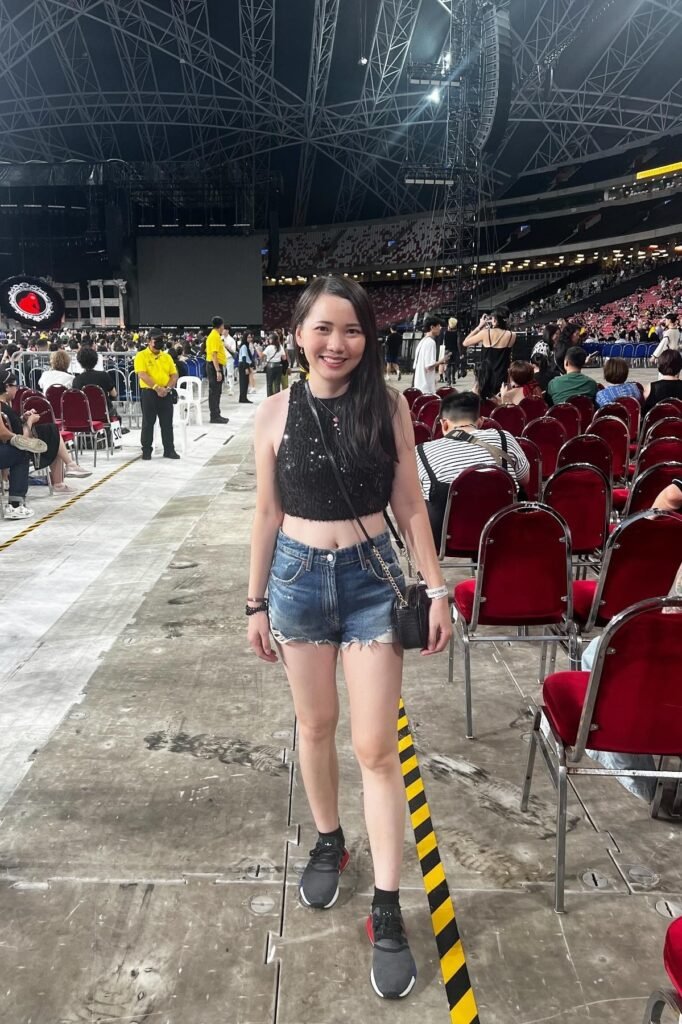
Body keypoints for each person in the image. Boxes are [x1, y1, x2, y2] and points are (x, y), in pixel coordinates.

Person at [246, 276, 451, 1001]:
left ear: (370, 338)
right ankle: (330, 839)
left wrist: (437, 588)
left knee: (374, 745)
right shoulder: (272, 414)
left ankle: (388, 906)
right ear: (298, 333)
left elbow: (412, 506)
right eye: (325, 329)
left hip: (372, 582)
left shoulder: (387, 405)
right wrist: (254, 601)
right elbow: (267, 513)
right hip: (297, 579)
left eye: (353, 330)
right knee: (314, 724)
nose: (339, 344)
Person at [416, 391, 530, 544]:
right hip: (502, 532)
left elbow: (415, 496)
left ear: (444, 424)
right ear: (481, 422)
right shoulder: (504, 438)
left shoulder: (422, 451)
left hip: (445, 539)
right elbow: (525, 479)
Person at [133, 330, 180, 460]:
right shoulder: (141, 356)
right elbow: (142, 374)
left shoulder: (167, 357)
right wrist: (156, 388)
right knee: (148, 423)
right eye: (156, 341)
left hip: (166, 393)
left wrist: (167, 388)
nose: (159, 343)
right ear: (149, 341)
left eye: (161, 340)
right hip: (149, 393)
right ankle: (147, 450)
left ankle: (169, 450)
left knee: (167, 423)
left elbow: (174, 374)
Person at [462, 306, 516, 394]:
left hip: (486, 376)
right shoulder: (512, 335)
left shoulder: (485, 333)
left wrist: (479, 326)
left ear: (494, 320)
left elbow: (465, 343)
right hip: (502, 377)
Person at [72, 345, 118, 421]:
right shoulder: (104, 375)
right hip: (105, 412)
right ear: (96, 360)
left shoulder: (77, 380)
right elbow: (114, 394)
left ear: (80, 362)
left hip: (85, 415)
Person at [205, 316, 230, 424]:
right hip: (214, 366)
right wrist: (218, 371)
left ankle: (217, 414)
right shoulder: (214, 336)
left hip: (215, 365)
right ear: (221, 326)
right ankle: (214, 416)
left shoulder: (214, 335)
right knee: (214, 392)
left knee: (217, 392)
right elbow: (214, 354)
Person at [412, 317, 447, 394]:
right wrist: (442, 360)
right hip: (426, 387)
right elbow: (429, 366)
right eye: (438, 326)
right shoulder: (431, 342)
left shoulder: (422, 341)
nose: (440, 328)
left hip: (418, 384)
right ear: (432, 327)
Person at [263, 332, 285, 396]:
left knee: (269, 384)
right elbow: (284, 358)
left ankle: (270, 398)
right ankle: (277, 399)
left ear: (272, 339)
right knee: (277, 384)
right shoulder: (280, 346)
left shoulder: (269, 347)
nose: (269, 340)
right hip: (279, 366)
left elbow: (262, 356)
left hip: (270, 366)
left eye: (269, 339)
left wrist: (257, 349)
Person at [238, 333, 255, 404]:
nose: (250, 339)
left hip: (244, 364)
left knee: (244, 382)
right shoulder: (244, 346)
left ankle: (243, 397)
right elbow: (244, 357)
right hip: (243, 365)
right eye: (248, 337)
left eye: (250, 337)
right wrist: (246, 368)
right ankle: (243, 398)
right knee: (244, 382)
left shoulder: (246, 346)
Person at [442, 317, 460, 382]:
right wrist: (459, 351)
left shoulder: (445, 332)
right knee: (454, 365)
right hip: (455, 350)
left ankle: (448, 381)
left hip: (447, 350)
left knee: (448, 365)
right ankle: (453, 378)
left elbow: (443, 342)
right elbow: (458, 343)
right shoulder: (457, 333)